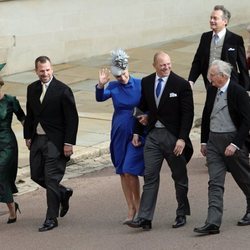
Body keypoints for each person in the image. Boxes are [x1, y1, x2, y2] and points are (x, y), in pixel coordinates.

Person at [127, 51, 194, 230]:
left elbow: (188, 115)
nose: (167, 67)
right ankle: (145, 218)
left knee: (179, 177)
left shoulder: (181, 84)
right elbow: (141, 106)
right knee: (150, 176)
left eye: (169, 64)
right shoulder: (147, 82)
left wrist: (182, 139)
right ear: (154, 65)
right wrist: (137, 130)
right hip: (153, 137)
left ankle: (181, 213)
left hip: (173, 138)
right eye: (163, 65)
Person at [194, 60, 250, 235]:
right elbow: (206, 115)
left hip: (233, 141)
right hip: (213, 142)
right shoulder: (212, 90)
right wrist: (204, 141)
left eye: (212, 75)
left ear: (223, 76)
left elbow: (247, 120)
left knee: (244, 179)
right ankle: (213, 222)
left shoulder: (238, 92)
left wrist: (235, 144)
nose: (209, 78)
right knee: (215, 182)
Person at [24, 56, 78, 232]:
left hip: (56, 141)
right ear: (36, 71)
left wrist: (69, 143)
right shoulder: (31, 89)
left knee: (51, 179)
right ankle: (63, 192)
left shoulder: (63, 90)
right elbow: (30, 114)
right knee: (36, 175)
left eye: (48, 70)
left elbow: (72, 119)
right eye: (41, 71)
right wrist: (27, 135)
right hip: (37, 139)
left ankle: (51, 218)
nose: (45, 73)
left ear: (52, 69)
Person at [95, 48, 144, 224]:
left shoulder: (140, 84)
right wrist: (101, 85)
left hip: (136, 132)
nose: (122, 78)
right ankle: (130, 207)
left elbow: (148, 106)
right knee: (123, 171)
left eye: (123, 74)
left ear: (128, 69)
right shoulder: (114, 86)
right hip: (118, 131)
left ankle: (139, 207)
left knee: (131, 170)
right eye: (118, 77)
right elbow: (100, 98)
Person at [188, 5, 250, 90]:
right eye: (211, 18)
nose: (211, 20)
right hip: (210, 84)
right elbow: (198, 61)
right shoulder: (205, 37)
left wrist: (245, 88)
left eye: (215, 18)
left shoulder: (236, 39)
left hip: (229, 85)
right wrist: (191, 81)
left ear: (225, 21)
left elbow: (243, 66)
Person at [0, 75, 25, 224]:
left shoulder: (10, 100)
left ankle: (10, 206)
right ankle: (12, 206)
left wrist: (30, 138)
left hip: (7, 143)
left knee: (0, 172)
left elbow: (23, 118)